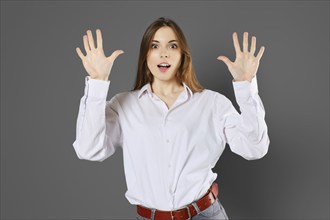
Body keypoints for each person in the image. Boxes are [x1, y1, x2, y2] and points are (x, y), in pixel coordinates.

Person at [73, 17, 270, 220]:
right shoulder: (123, 105)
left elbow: (254, 148)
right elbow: (89, 150)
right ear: (145, 55)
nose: (164, 53)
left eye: (172, 46)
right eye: (155, 46)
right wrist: (97, 83)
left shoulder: (213, 104)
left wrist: (245, 85)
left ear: (183, 55)